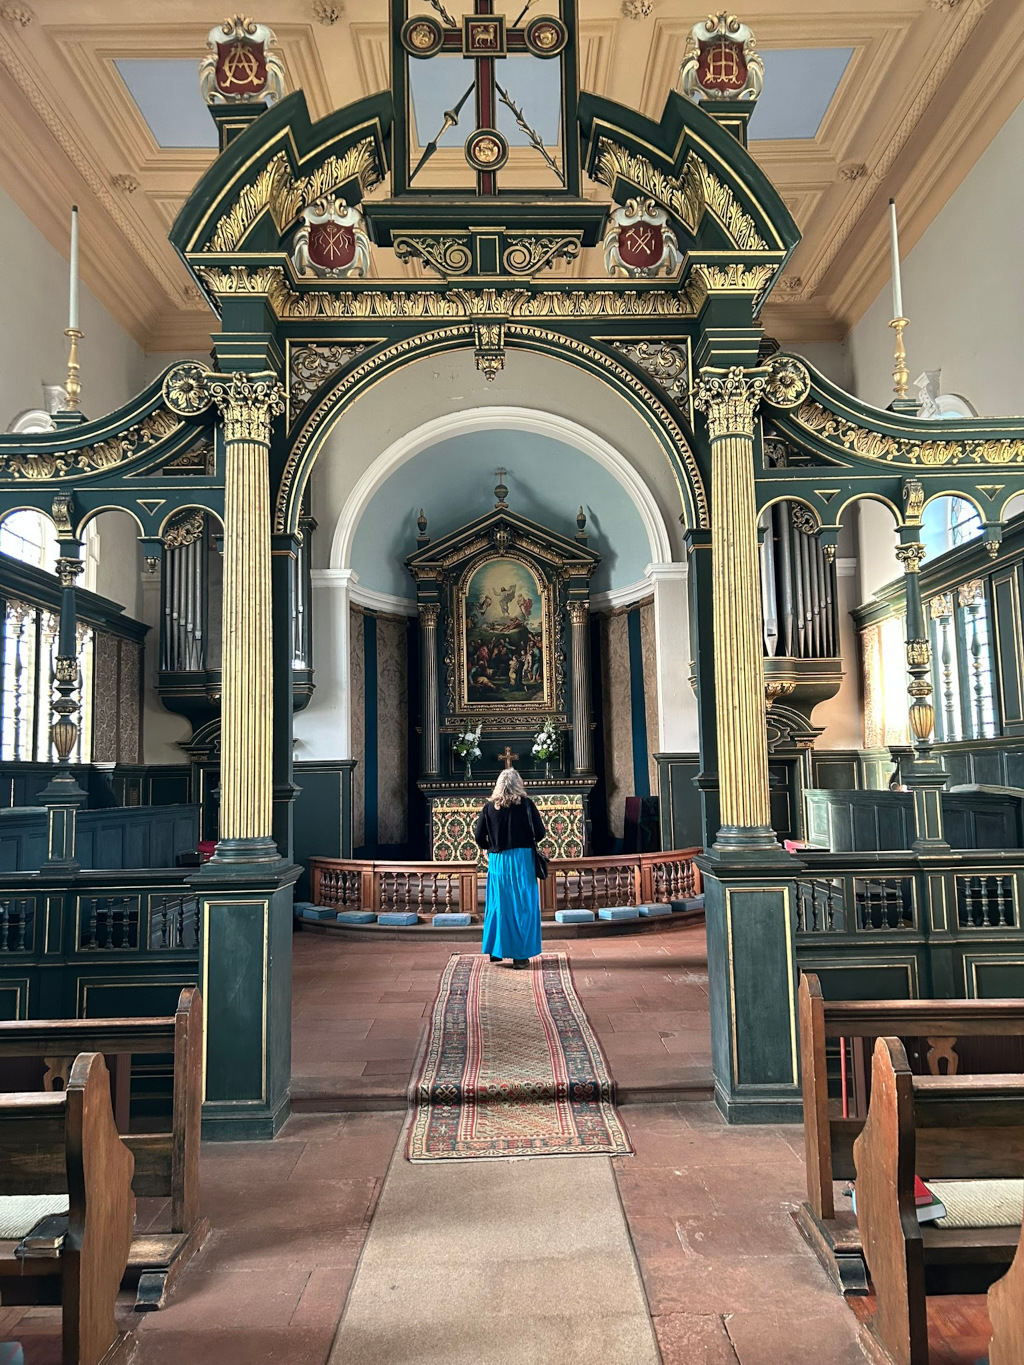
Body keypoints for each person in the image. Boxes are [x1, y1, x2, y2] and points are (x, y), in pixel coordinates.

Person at [474, 767, 545, 969]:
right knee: (523, 907)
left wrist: (490, 848)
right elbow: (540, 833)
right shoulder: (527, 805)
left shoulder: (489, 808)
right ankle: (520, 957)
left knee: (499, 906)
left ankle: (497, 951)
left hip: (498, 862)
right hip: (522, 861)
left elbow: (479, 837)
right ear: (518, 784)